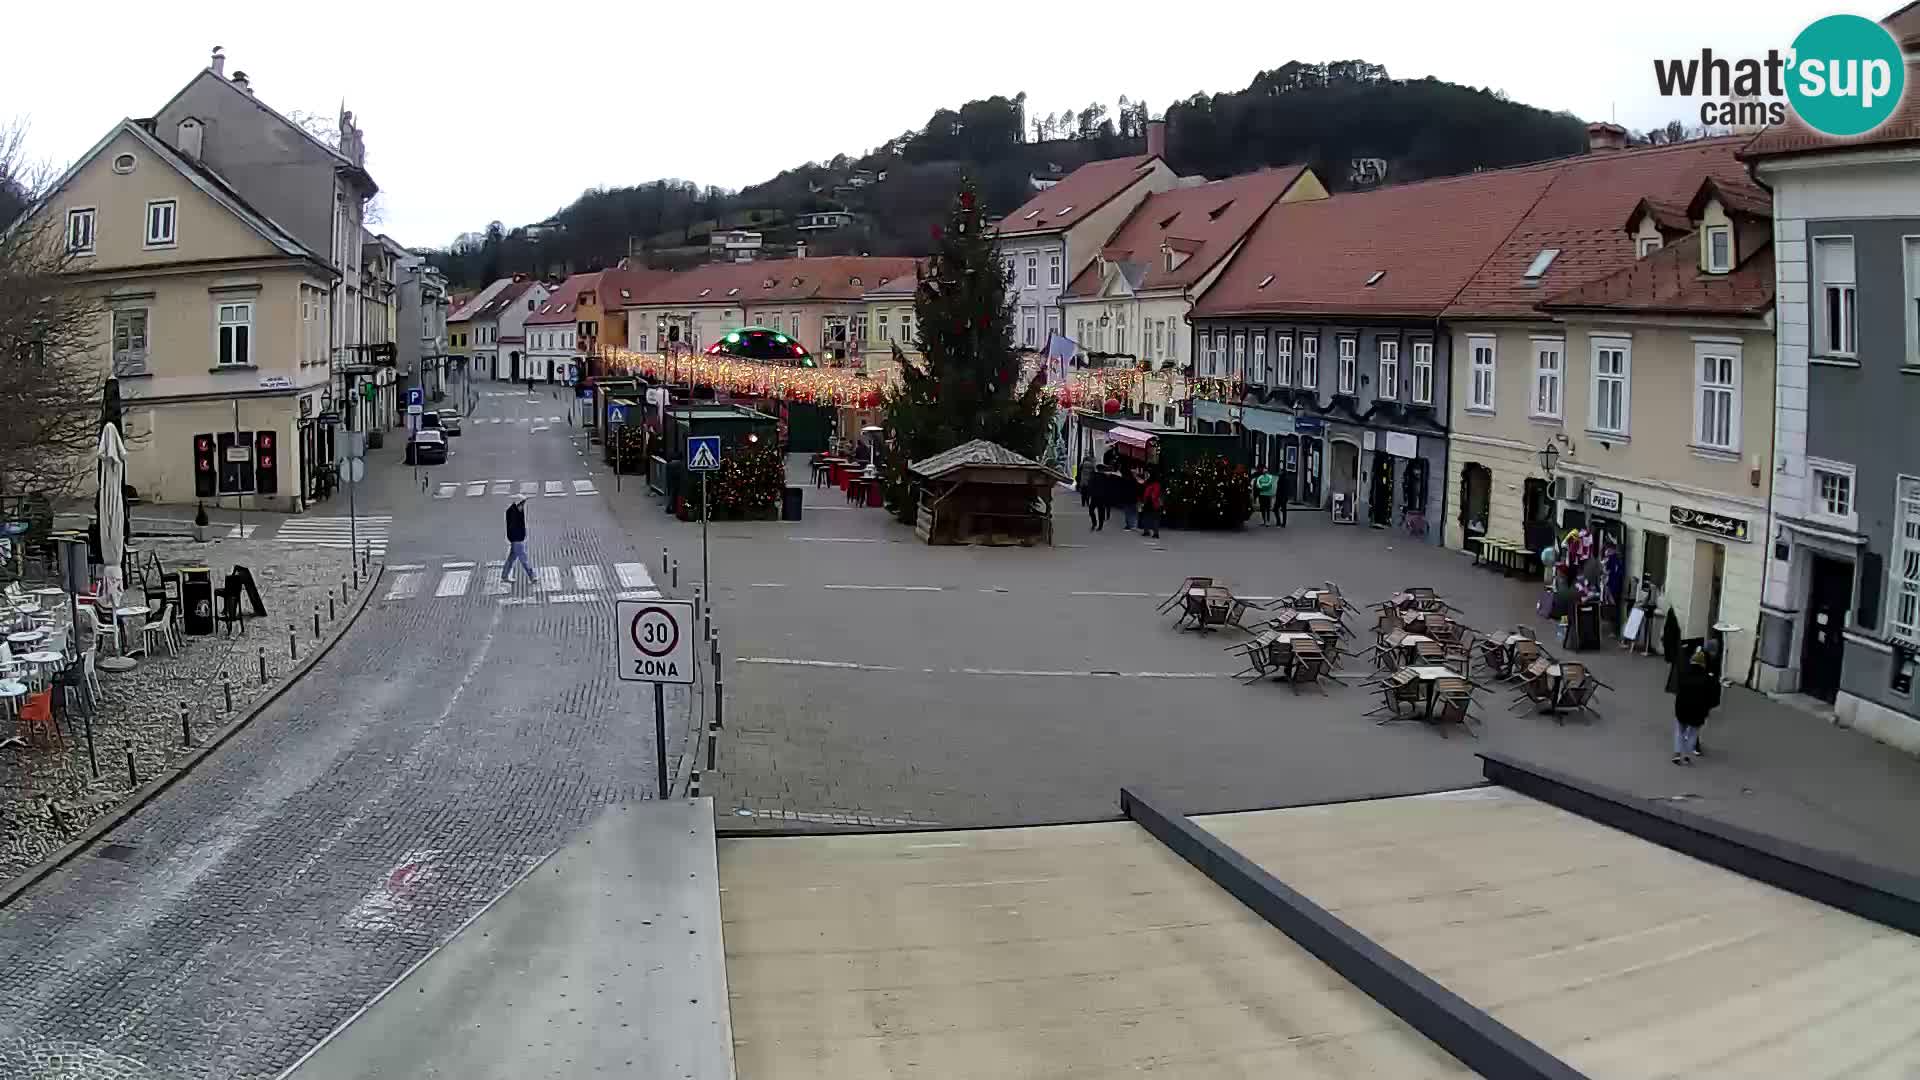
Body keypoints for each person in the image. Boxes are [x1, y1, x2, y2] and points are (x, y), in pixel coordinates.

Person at [1673, 649, 1716, 765]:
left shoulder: (1684, 675)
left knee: (1679, 731)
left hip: (1682, 709)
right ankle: (1686, 755)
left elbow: (1679, 693)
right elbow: (1710, 698)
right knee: (1692, 733)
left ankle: (1677, 754)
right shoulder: (1707, 679)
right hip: (1697, 712)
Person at [502, 496, 534, 583]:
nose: (523, 505)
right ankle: (532, 576)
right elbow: (512, 528)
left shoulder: (518, 511)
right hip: (516, 540)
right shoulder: (512, 513)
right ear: (517, 504)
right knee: (524, 559)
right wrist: (515, 539)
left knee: (511, 559)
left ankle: (504, 576)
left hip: (517, 539)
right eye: (522, 503)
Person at [1139, 472, 1164, 539]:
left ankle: (1146, 531)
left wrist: (1143, 501)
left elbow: (1144, 493)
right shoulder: (1158, 484)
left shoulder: (1147, 483)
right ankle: (1155, 533)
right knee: (1155, 519)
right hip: (1154, 503)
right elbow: (1159, 495)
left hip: (1148, 503)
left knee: (1147, 518)